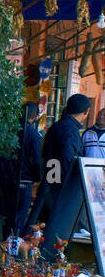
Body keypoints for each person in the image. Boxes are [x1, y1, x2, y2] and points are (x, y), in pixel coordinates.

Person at [39, 93, 91, 260]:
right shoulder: (70, 129)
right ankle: (51, 258)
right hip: (61, 184)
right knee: (58, 225)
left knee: (48, 220)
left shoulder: (58, 126)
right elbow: (68, 158)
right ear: (86, 112)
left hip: (52, 179)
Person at [11, 101, 43, 239]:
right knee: (20, 216)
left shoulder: (8, 131)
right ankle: (14, 245)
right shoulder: (33, 135)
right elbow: (37, 160)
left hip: (7, 178)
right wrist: (36, 177)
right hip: (25, 178)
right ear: (34, 117)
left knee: (7, 213)